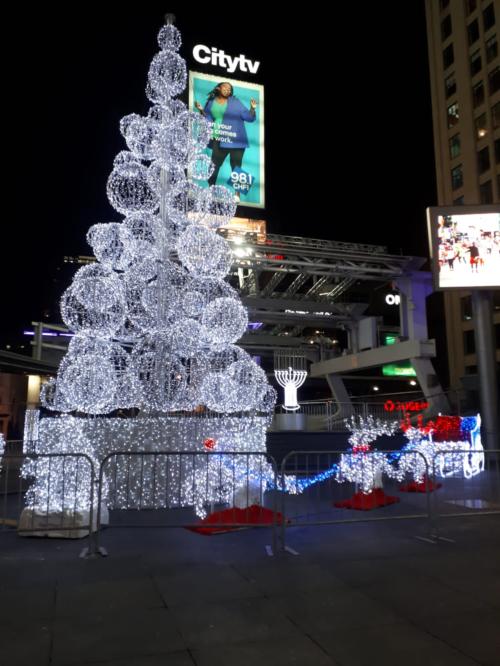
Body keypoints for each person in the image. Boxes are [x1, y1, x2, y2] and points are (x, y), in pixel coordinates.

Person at [195, 82, 257, 199]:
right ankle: (211, 190)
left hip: (236, 140)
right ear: (219, 88)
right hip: (220, 137)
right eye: (225, 87)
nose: (228, 90)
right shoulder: (211, 103)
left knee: (237, 167)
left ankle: (237, 195)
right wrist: (201, 111)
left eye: (230, 88)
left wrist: (252, 109)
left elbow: (248, 117)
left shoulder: (235, 102)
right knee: (214, 166)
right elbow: (208, 119)